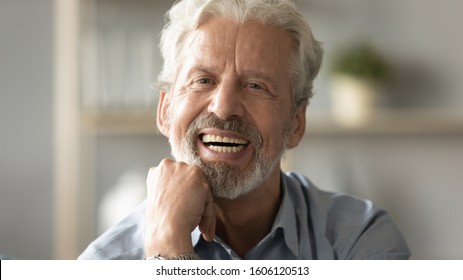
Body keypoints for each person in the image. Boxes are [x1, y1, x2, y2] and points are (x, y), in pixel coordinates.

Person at [79, 0, 410, 260]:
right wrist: (167, 241)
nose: (223, 108)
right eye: (203, 81)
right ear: (165, 110)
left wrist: (170, 255)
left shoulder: (359, 240)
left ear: (296, 123)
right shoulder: (106, 263)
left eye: (255, 86)